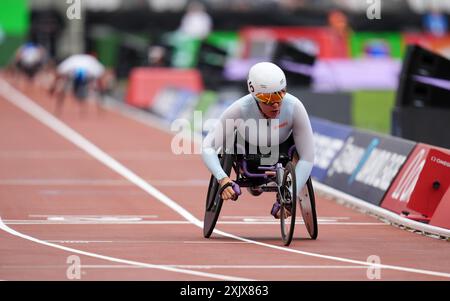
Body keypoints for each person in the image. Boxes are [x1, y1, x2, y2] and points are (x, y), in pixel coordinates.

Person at [201, 62, 315, 219]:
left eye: (280, 95)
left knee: (298, 151)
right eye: (268, 99)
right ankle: (256, 185)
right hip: (248, 152)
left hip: (282, 150)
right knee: (254, 186)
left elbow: (308, 158)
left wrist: (290, 196)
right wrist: (223, 179)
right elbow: (208, 146)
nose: (276, 104)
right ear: (254, 95)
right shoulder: (239, 109)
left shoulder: (295, 107)